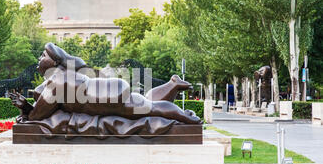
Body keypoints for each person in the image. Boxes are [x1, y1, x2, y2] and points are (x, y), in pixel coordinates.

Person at [11, 43, 201, 125]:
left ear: (55, 63)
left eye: (43, 55)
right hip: (110, 90)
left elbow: (37, 115)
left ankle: (187, 118)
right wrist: (26, 107)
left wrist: (27, 110)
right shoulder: (61, 78)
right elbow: (40, 109)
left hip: (110, 97)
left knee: (151, 109)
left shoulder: (59, 80)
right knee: (143, 102)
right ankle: (172, 84)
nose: (39, 58)